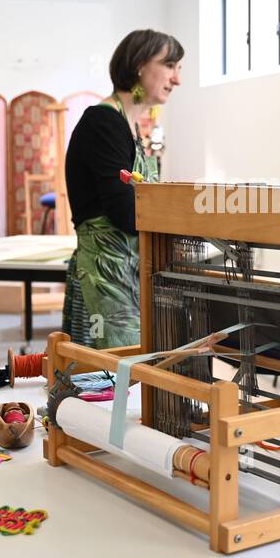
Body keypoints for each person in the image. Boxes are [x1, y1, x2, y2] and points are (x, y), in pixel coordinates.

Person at [61, 29, 183, 348]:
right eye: (170, 65)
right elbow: (124, 212)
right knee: (112, 382)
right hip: (106, 282)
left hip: (125, 277)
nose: (177, 79)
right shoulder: (103, 123)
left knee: (127, 384)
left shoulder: (128, 126)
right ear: (140, 65)